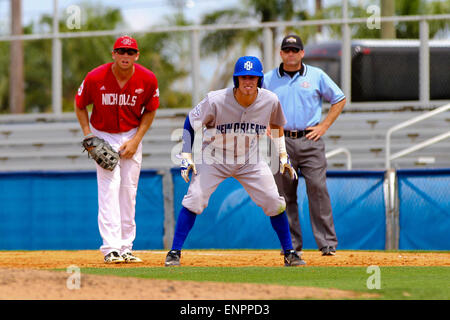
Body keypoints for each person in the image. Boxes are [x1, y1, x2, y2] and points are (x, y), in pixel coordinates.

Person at [164, 56, 306, 267]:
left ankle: (290, 253)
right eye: (243, 77)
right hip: (215, 156)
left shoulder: (270, 100)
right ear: (236, 80)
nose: (248, 81)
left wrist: (283, 155)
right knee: (195, 198)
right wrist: (186, 155)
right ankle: (174, 252)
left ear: (259, 79)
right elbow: (190, 122)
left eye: (253, 77)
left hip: (250, 159)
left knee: (273, 201)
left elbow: (276, 126)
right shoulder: (216, 99)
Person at [75, 35, 160, 263]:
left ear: (137, 56)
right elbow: (80, 105)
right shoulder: (95, 77)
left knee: (129, 191)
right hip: (103, 134)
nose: (125, 55)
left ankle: (125, 247)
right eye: (121, 51)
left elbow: (150, 110)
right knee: (109, 189)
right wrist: (89, 136)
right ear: (113, 54)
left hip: (132, 133)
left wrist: (135, 140)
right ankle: (110, 248)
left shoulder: (147, 79)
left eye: (130, 52)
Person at [263, 34, 346, 256]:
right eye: (287, 50)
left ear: (302, 53)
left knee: (318, 189)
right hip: (279, 141)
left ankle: (327, 243)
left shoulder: (316, 75)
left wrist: (324, 125)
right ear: (280, 53)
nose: (291, 54)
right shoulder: (268, 79)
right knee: (284, 195)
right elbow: (255, 105)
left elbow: (339, 98)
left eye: (295, 50)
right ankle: (291, 245)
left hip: (310, 140)